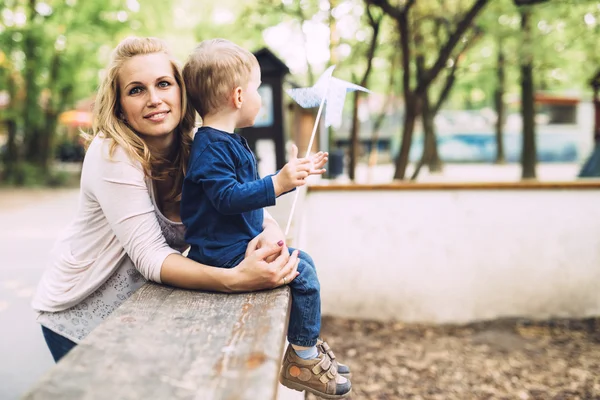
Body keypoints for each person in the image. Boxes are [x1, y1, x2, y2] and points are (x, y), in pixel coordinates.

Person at [31, 36, 300, 364]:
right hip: (79, 314)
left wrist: (271, 241)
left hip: (141, 309)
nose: (154, 99)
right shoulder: (111, 154)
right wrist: (235, 279)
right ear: (119, 105)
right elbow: (150, 255)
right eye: (136, 90)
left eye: (163, 84)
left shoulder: (200, 149)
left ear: (181, 90)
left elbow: (236, 202)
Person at [180, 38, 352, 399]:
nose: (261, 98)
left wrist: (287, 175)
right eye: (258, 90)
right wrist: (279, 182)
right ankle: (302, 358)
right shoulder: (210, 146)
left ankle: (307, 349)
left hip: (235, 244)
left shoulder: (224, 141)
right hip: (222, 254)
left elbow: (241, 190)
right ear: (239, 97)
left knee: (302, 264)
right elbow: (227, 198)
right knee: (302, 271)